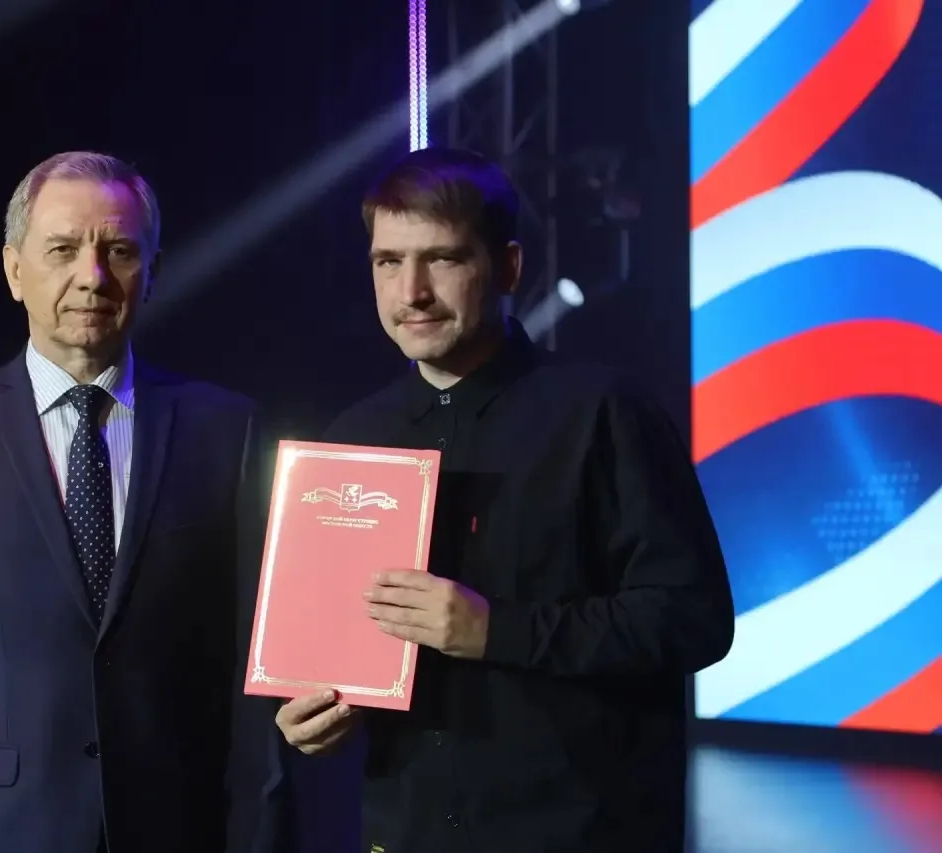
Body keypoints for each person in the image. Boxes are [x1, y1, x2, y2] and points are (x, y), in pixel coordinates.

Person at [274, 147, 735, 852]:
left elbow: (693, 619)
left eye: (443, 259)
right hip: (407, 832)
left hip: (578, 833)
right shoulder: (353, 438)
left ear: (509, 267)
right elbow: (339, 647)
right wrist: (314, 710)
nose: (411, 292)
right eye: (388, 261)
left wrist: (498, 630)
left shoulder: (604, 413)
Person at [0, 151, 285, 853]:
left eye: (119, 251)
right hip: (1, 832)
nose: (92, 276)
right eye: (62, 250)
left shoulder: (225, 429)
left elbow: (252, 677)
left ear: (152, 271)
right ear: (13, 270)